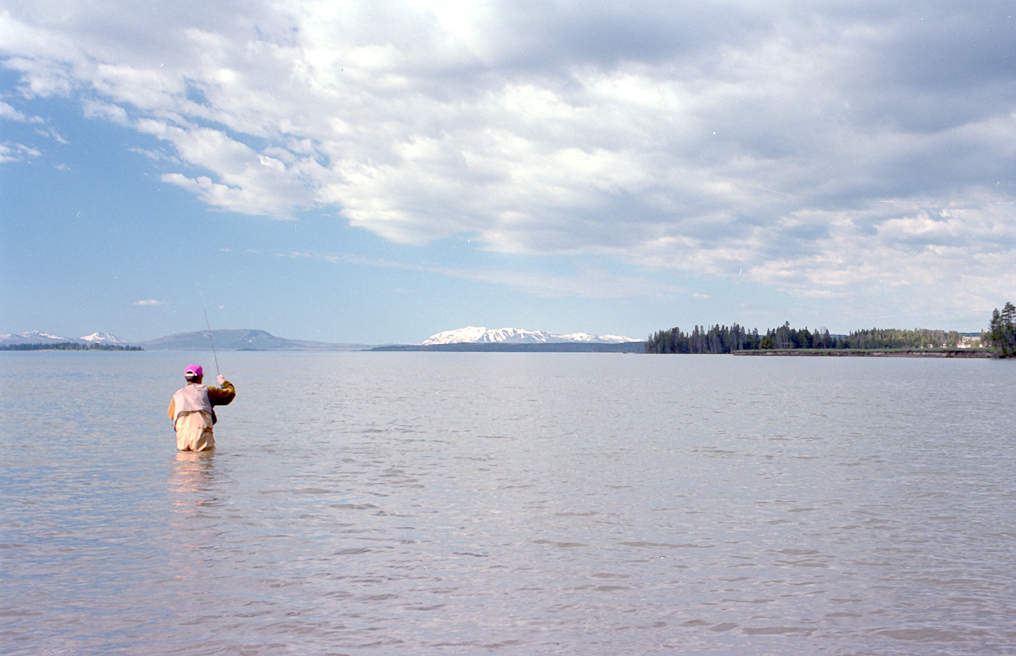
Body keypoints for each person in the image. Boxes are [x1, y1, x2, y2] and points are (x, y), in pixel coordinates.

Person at [167, 364, 236, 451]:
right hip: (201, 435)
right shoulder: (207, 390)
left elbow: (171, 414)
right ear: (200, 377)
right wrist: (224, 383)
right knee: (203, 460)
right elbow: (229, 394)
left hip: (182, 436)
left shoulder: (177, 395)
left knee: (183, 462)